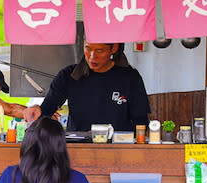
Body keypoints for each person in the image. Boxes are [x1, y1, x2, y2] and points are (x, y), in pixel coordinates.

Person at [22, 42, 150, 132]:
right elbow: (47, 110)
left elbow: (141, 120)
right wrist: (36, 110)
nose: (92, 56)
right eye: (88, 48)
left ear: (114, 48)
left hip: (118, 149)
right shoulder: (69, 75)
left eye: (100, 51)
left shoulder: (130, 77)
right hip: (78, 148)